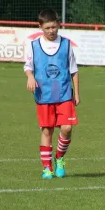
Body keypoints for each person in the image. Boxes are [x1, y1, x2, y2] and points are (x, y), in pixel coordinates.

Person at [24, 9, 81, 179]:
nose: (51, 31)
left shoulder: (66, 44)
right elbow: (28, 66)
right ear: (40, 26)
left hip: (64, 94)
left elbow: (74, 70)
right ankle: (47, 168)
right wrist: (30, 77)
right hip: (44, 95)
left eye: (54, 27)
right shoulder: (33, 45)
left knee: (67, 128)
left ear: (58, 25)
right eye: (47, 28)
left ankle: (60, 158)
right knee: (47, 131)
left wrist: (76, 93)